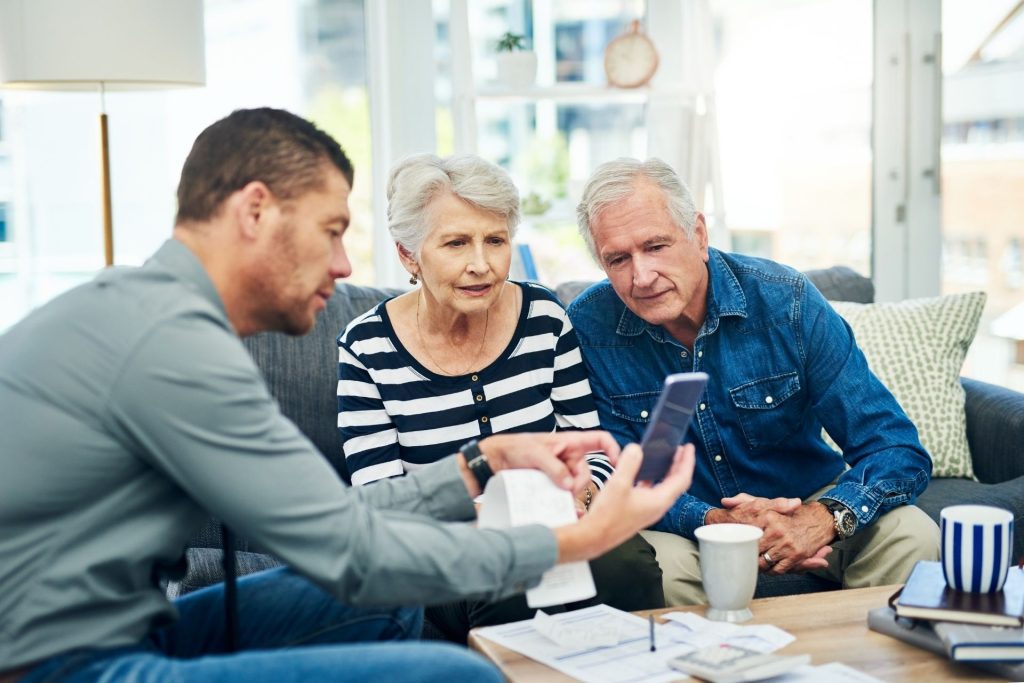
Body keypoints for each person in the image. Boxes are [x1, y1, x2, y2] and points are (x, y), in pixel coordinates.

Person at [0, 111, 696, 683]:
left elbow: (334, 518)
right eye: (332, 230)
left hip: (128, 628)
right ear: (255, 211)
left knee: (396, 606)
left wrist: (477, 463)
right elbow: (354, 551)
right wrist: (573, 539)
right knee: (461, 677)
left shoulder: (158, 315)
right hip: (55, 665)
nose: (342, 262)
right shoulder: (173, 345)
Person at [565, 157, 940, 606]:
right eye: (618, 258)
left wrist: (821, 518)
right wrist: (714, 521)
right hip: (684, 522)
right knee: (656, 568)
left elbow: (895, 446)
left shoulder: (788, 301)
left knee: (912, 534)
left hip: (806, 499)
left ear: (699, 235)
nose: (641, 276)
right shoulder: (588, 325)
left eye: (655, 246)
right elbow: (622, 472)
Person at [337, 153, 666, 641]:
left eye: (495, 240)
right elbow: (379, 500)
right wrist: (495, 526)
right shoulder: (367, 347)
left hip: (559, 526)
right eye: (456, 243)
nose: (481, 264)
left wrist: (583, 496)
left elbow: (589, 445)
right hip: (447, 550)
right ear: (409, 255)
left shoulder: (544, 318)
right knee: (509, 586)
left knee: (629, 561)